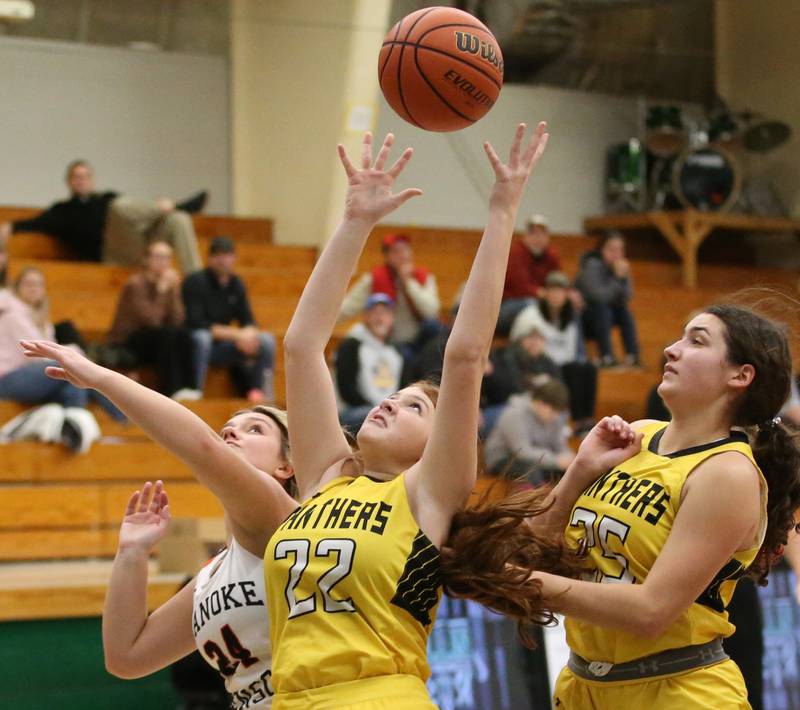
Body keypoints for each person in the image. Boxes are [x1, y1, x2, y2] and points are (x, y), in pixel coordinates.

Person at [267, 124, 575, 708]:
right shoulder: (325, 476)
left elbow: (463, 357)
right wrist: (356, 223)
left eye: (414, 406)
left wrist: (502, 211)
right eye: (396, 395)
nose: (388, 401)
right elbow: (302, 344)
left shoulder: (429, 492)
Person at [489, 301, 800, 709]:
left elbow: (651, 611)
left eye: (696, 341)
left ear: (740, 375)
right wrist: (579, 470)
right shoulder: (635, 434)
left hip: (676, 690)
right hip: (583, 683)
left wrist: (516, 580)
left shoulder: (727, 472)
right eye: (679, 337)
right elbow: (535, 550)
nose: (672, 349)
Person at [17, 339, 298, 710]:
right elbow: (127, 657)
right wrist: (132, 552)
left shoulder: (286, 520)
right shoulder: (215, 574)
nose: (229, 433)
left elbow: (202, 447)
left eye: (255, 429)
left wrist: (100, 377)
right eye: (227, 427)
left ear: (285, 466)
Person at [0, 159, 205, 273]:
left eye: (85, 176)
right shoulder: (62, 211)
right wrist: (13, 226)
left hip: (143, 243)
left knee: (179, 220)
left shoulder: (105, 197)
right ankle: (176, 205)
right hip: (114, 255)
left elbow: (134, 211)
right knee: (117, 208)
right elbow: (37, 223)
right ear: (69, 181)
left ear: (92, 179)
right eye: (76, 177)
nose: (81, 180)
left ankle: (196, 281)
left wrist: (157, 209)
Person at [0, 267, 102, 451]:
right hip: (7, 379)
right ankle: (118, 414)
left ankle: (72, 430)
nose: (33, 288)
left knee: (72, 380)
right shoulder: (12, 314)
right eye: (28, 284)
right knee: (72, 367)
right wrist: (75, 352)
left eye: (38, 284)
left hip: (32, 376)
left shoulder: (40, 319)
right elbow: (37, 353)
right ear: (17, 288)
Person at [182, 236, 276, 403]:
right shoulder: (195, 281)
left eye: (227, 255)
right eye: (218, 255)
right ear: (209, 258)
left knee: (266, 340)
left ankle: (258, 391)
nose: (223, 260)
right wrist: (237, 335)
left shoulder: (236, 283)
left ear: (234, 258)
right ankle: (196, 391)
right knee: (201, 337)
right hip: (198, 346)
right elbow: (196, 322)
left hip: (226, 345)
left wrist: (248, 335)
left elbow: (248, 320)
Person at [108, 241, 200, 400]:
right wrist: (162, 291)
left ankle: (190, 388)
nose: (163, 262)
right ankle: (170, 390)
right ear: (147, 260)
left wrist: (174, 291)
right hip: (128, 340)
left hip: (157, 338)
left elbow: (178, 319)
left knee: (186, 335)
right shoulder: (135, 284)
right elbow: (151, 320)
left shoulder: (168, 284)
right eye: (158, 257)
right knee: (167, 335)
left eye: (166, 258)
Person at [511, 270, 597, 435]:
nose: (557, 295)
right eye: (553, 290)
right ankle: (576, 420)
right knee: (574, 370)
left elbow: (571, 353)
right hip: (538, 366)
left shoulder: (570, 319)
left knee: (588, 368)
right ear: (544, 293)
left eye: (561, 291)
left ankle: (584, 421)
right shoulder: (530, 316)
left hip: (562, 367)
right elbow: (517, 346)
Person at [338, 231, 441, 360]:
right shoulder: (374, 278)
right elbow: (347, 308)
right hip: (391, 340)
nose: (402, 255)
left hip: (420, 339)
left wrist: (408, 283)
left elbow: (431, 311)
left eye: (405, 250)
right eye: (396, 251)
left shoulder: (424, 277)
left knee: (435, 330)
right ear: (387, 256)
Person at [335, 292, 404, 433]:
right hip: (355, 411)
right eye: (375, 312)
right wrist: (379, 409)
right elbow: (346, 390)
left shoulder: (397, 353)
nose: (380, 317)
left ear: (392, 319)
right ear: (365, 316)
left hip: (388, 410)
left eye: (385, 313)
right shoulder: (352, 345)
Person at [484, 379, 574, 483]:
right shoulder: (514, 413)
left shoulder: (555, 417)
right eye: (553, 411)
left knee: (567, 472)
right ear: (540, 403)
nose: (556, 416)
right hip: (503, 459)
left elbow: (559, 446)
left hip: (538, 459)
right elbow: (521, 452)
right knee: (531, 471)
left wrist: (570, 460)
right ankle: (535, 499)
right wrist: (556, 460)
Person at [575, 230, 641, 368]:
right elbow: (599, 297)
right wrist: (617, 279)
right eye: (612, 249)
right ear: (602, 250)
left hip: (607, 315)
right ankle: (607, 356)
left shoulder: (621, 268)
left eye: (620, 250)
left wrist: (623, 279)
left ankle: (633, 356)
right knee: (602, 310)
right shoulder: (591, 266)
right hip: (585, 318)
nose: (616, 254)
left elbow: (627, 296)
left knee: (625, 312)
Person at [496, 213, 562, 334]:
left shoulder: (551, 256)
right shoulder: (515, 253)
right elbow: (520, 288)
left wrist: (563, 295)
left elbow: (558, 282)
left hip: (540, 301)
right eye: (533, 233)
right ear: (526, 236)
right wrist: (547, 294)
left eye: (542, 234)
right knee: (532, 305)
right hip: (506, 306)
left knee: (568, 306)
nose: (538, 238)